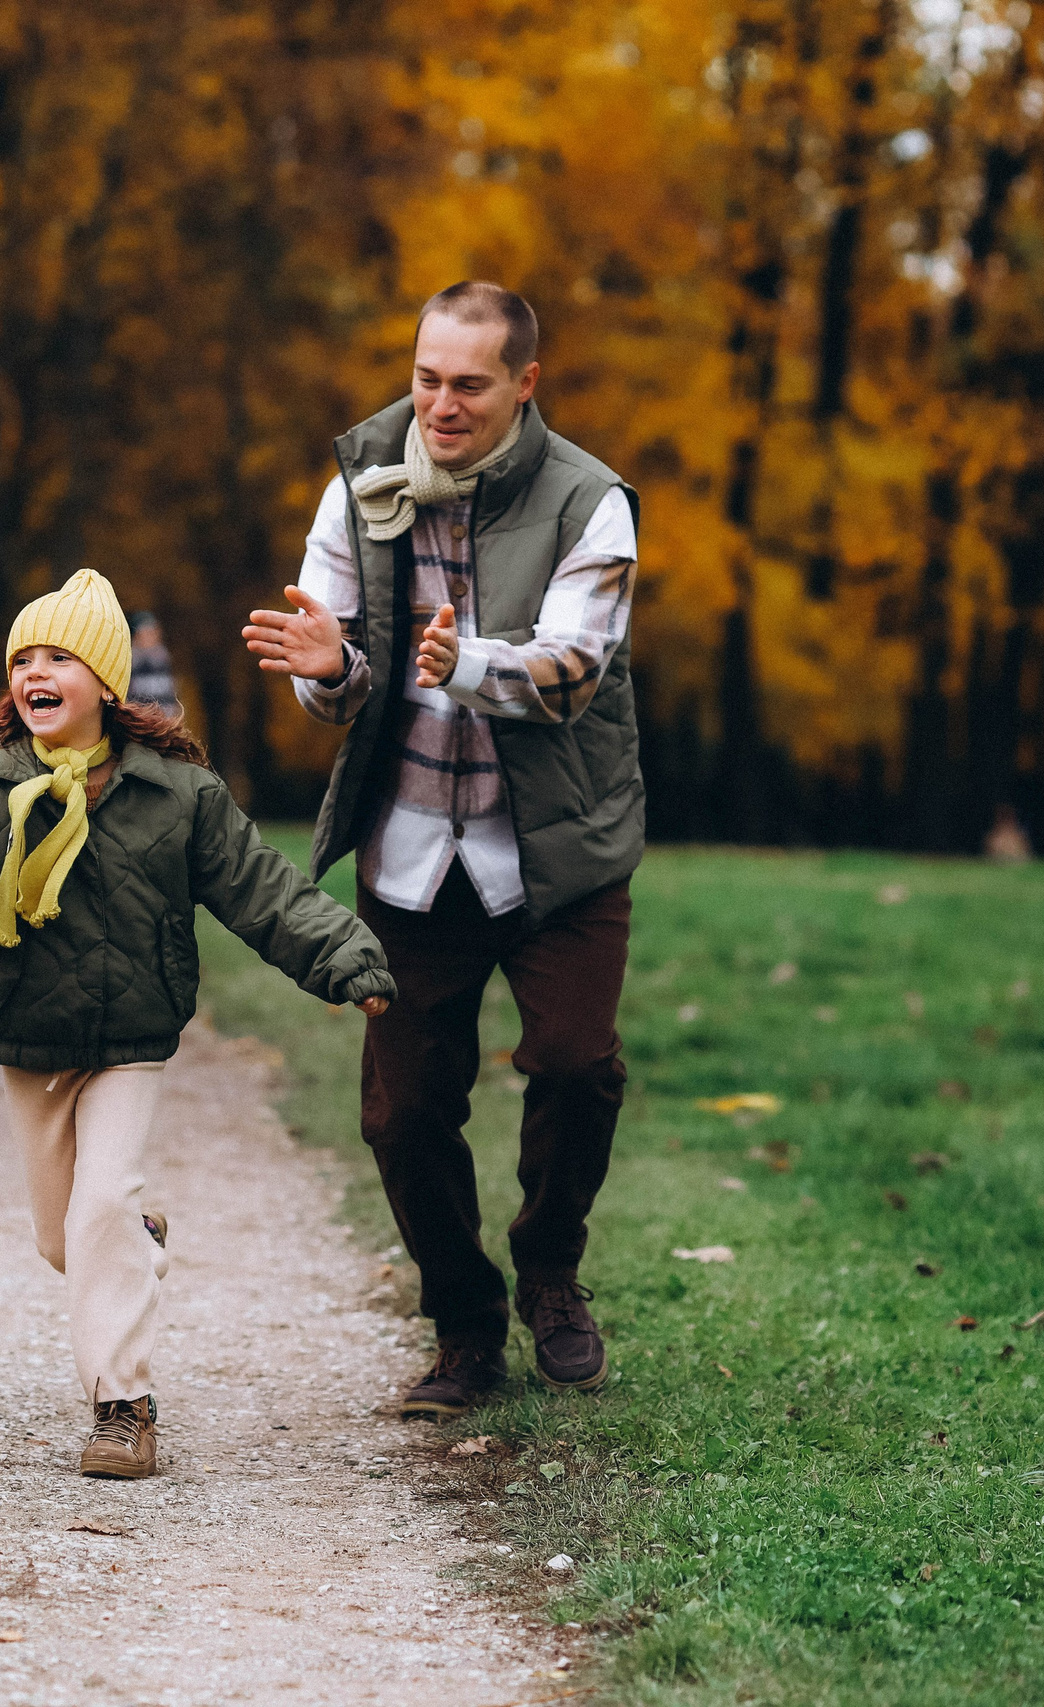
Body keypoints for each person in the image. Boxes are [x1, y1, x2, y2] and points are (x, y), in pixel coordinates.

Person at [0, 569, 391, 1477]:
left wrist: (345, 957)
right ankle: (131, 1241)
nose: (38, 671)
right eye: (24, 658)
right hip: (28, 1037)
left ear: (108, 684)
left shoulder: (178, 796)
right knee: (62, 1236)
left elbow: (263, 890)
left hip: (130, 1038)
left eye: (61, 657)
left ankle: (123, 1406)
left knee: (101, 1203)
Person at [242, 280, 642, 1421]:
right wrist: (329, 671)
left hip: (555, 845)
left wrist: (463, 661)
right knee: (402, 1111)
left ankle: (549, 1270)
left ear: (525, 382)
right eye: (425, 378)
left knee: (573, 1064)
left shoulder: (588, 501)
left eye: (468, 384)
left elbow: (572, 670)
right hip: (415, 842)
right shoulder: (361, 482)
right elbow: (345, 688)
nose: (440, 404)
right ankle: (463, 1328)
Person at [125, 610, 182, 717]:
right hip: (139, 721)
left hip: (165, 720)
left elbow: (173, 695)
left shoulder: (165, 660)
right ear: (135, 636)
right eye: (145, 633)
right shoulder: (128, 663)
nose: (149, 637)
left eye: (152, 632)